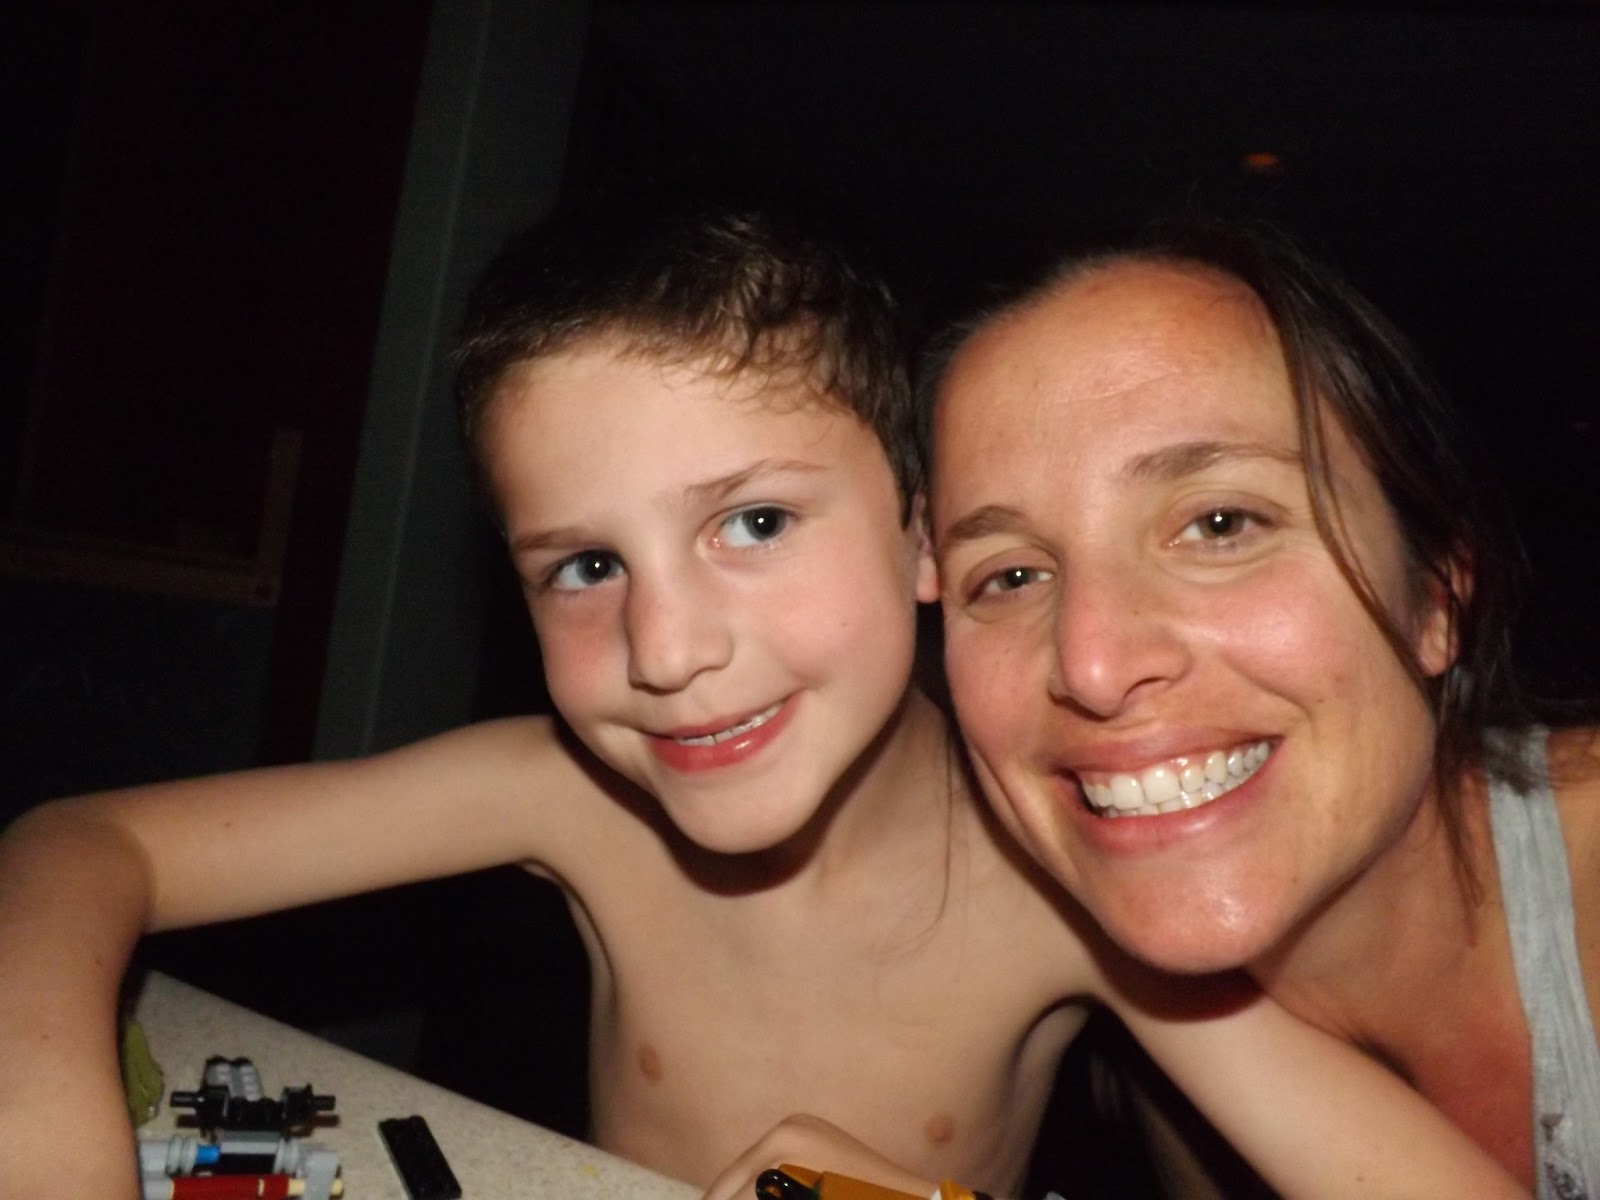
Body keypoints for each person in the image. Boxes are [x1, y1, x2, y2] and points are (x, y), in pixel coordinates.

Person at [0, 202, 1523, 1200]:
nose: (665, 647)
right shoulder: (565, 796)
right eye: (586, 564)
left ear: (926, 539)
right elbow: (79, 845)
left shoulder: (1063, 873)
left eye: (754, 522)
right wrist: (43, 1106)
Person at [923, 217, 1600, 1199]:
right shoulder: (1162, 1068)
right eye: (1011, 575)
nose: (1095, 664)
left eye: (1219, 523)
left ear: (1435, 601)